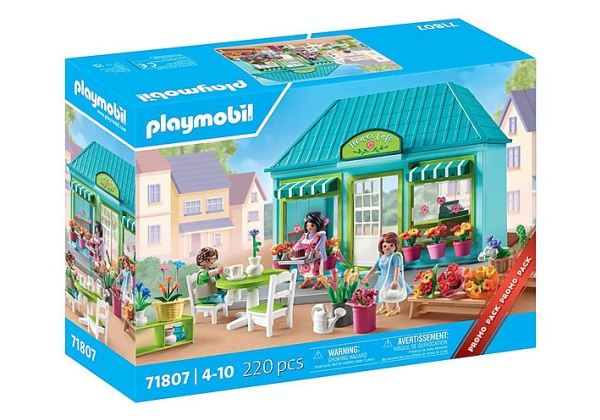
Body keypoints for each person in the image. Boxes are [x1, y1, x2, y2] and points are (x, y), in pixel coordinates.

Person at [361, 232, 411, 317]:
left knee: (394, 293)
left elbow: (397, 268)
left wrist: (395, 280)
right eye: (385, 246)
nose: (388, 247)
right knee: (382, 292)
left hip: (392, 277)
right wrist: (367, 277)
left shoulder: (395, 257)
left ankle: (396, 307)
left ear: (395, 246)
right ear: (381, 247)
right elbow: (374, 268)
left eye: (391, 245)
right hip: (383, 278)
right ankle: (384, 306)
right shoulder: (381, 258)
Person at [289, 211, 328, 289]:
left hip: (317, 256)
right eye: (307, 225)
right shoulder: (305, 235)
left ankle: (320, 280)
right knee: (305, 267)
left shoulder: (321, 235)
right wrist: (292, 250)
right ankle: (307, 280)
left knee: (318, 268)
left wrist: (317, 249)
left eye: (312, 225)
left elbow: (321, 243)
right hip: (307, 256)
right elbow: (299, 243)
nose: (309, 227)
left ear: (318, 224)